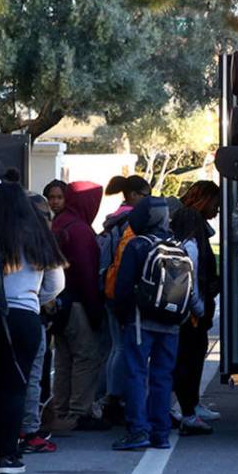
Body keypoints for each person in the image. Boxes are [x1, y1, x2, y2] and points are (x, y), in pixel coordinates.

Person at [0, 182, 65, 474]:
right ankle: (10, 455)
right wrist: (35, 299)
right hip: (25, 317)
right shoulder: (39, 237)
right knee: (17, 386)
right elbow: (56, 284)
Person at [112, 196, 181, 451]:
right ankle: (161, 433)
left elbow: (123, 287)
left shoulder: (137, 245)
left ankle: (138, 430)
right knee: (162, 377)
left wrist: (123, 317)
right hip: (171, 323)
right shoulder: (176, 245)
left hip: (141, 322)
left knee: (136, 374)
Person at [51, 180, 109, 431]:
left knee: (64, 359)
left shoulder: (59, 223)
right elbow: (87, 275)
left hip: (59, 303)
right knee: (86, 357)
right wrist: (95, 311)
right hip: (77, 304)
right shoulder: (81, 231)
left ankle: (61, 410)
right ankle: (79, 412)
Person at [96, 174, 151, 425]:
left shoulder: (114, 219)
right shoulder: (132, 222)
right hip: (121, 291)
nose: (148, 201)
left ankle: (110, 394)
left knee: (115, 346)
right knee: (121, 347)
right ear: (134, 196)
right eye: (145, 195)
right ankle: (114, 396)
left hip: (109, 289)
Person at [169, 181, 221, 436]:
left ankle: (192, 405)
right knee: (187, 360)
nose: (218, 209)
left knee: (193, 356)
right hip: (191, 310)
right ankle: (188, 410)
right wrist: (198, 306)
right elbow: (191, 269)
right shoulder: (191, 226)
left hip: (193, 307)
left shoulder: (189, 220)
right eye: (216, 202)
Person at [18, 193, 60, 453]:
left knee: (9, 378)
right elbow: (56, 284)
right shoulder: (43, 244)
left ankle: (5, 430)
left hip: (0, 315)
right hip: (30, 314)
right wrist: (38, 297)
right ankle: (29, 430)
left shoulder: (1, 240)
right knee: (32, 375)